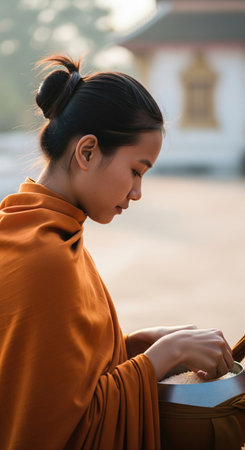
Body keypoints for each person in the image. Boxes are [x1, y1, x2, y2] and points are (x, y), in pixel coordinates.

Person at [0, 55, 234, 450]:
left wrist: (139, 345)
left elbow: (61, 374)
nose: (137, 192)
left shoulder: (43, 230)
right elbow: (51, 429)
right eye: (136, 170)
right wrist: (164, 355)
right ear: (87, 152)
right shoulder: (44, 256)